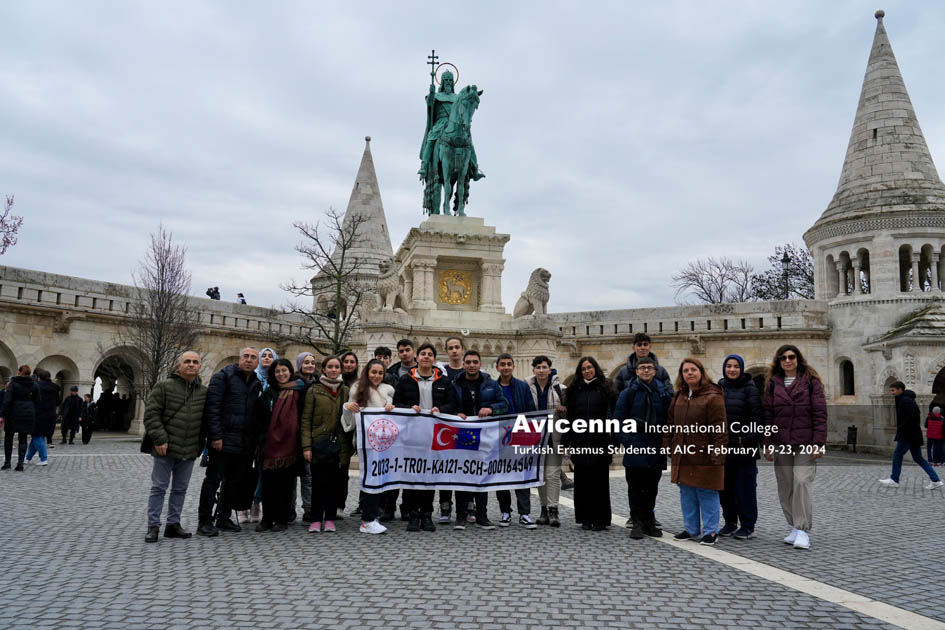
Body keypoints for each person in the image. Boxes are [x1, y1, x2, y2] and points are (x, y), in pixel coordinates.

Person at [763, 344, 828, 550]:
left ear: (798, 359)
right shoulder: (773, 384)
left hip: (805, 442)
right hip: (781, 442)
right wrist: (767, 443)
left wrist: (819, 443)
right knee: (786, 485)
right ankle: (793, 525)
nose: (787, 360)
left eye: (791, 357)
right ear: (778, 361)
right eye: (783, 358)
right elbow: (768, 417)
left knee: (801, 481)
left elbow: (820, 414)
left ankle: (802, 529)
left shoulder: (811, 382)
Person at [143, 351, 208, 543]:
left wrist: (199, 445)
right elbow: (151, 414)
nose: (191, 364)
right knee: (159, 488)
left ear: (199, 367)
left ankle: (173, 524)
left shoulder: (203, 392)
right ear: (178, 365)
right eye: (187, 361)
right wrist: (160, 439)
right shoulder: (164, 386)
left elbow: (205, 421)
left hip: (189, 448)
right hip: (165, 447)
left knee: (180, 489)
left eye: (195, 362)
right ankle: (153, 526)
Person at [393, 343, 459, 532]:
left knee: (429, 477)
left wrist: (441, 410)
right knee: (413, 476)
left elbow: (452, 404)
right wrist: (408, 409)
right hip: (412, 435)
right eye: (423, 354)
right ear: (417, 357)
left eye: (430, 354)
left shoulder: (444, 382)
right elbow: (397, 402)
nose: (426, 357)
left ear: (434, 359)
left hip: (434, 436)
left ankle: (427, 514)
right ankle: (413, 514)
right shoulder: (406, 380)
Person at [197, 348, 261, 537]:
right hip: (223, 441)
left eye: (253, 358)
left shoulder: (256, 383)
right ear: (239, 359)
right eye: (246, 357)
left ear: (257, 363)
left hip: (244, 443)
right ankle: (204, 521)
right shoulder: (222, 377)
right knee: (213, 481)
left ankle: (223, 518)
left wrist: (254, 440)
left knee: (233, 482)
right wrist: (216, 436)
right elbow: (212, 408)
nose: (249, 360)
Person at [665, 357, 727, 546]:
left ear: (701, 372)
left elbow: (720, 428)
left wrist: (718, 453)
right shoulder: (679, 396)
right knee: (687, 492)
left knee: (707, 491)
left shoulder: (713, 396)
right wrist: (667, 444)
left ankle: (710, 531)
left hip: (705, 453)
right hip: (683, 453)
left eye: (693, 370)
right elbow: (670, 423)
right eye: (686, 371)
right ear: (681, 375)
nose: (689, 373)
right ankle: (691, 529)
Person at [615, 356, 671, 539]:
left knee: (651, 487)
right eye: (642, 368)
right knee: (635, 487)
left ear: (655, 371)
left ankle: (648, 520)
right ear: (637, 371)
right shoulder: (628, 393)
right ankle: (636, 521)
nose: (646, 370)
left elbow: (670, 419)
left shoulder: (663, 393)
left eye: (649, 368)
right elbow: (618, 420)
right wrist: (628, 441)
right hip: (635, 445)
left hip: (655, 446)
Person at [451, 349, 507, 530]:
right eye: (468, 362)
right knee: (461, 474)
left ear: (480, 364)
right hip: (462, 433)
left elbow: (504, 404)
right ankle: (460, 516)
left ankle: (482, 515)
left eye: (475, 362)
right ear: (464, 364)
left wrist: (491, 409)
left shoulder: (490, 383)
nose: (471, 365)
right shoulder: (455, 384)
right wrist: (454, 414)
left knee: (482, 475)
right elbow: (448, 405)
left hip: (484, 435)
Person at [560, 356, 617, 531]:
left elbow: (614, 415)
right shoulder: (574, 391)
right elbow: (569, 419)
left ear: (595, 368)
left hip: (600, 440)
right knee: (583, 480)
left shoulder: (607, 388)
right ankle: (585, 517)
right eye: (584, 368)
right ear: (580, 371)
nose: (587, 371)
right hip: (580, 440)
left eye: (590, 367)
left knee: (599, 481)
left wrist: (614, 439)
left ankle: (600, 519)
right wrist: (565, 442)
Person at [342, 359, 395, 534]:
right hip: (367, 442)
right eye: (374, 372)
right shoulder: (357, 388)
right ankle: (367, 519)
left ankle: (372, 515)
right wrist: (347, 408)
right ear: (367, 372)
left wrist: (391, 408)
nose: (377, 376)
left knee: (378, 479)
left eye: (380, 373)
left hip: (384, 442)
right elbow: (349, 419)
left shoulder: (388, 390)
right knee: (371, 478)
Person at [301, 356, 353, 533]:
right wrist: (307, 447)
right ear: (323, 369)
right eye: (329, 367)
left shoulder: (346, 391)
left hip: (339, 445)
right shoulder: (313, 390)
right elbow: (306, 419)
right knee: (318, 483)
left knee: (334, 484)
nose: (333, 370)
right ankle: (316, 518)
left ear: (341, 370)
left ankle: (330, 518)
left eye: (336, 367)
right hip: (319, 444)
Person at [255, 358, 305, 533]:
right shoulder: (269, 392)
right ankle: (267, 519)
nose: (281, 374)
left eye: (284, 370)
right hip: (268, 445)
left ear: (290, 371)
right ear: (273, 374)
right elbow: (260, 417)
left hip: (290, 445)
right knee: (268, 485)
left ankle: (282, 519)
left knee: (285, 486)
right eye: (277, 371)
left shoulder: (299, 390)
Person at [718, 354, 762, 540]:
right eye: (729, 366)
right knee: (725, 488)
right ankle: (729, 522)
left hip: (744, 448)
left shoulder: (750, 389)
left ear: (741, 368)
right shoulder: (719, 388)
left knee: (745, 489)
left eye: (736, 366)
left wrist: (748, 439)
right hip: (724, 448)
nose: (732, 369)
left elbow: (758, 418)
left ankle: (747, 525)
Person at [494, 353, 537, 528]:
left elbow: (530, 410)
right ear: (497, 367)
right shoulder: (491, 387)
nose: (505, 367)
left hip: (519, 435)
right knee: (501, 476)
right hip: (498, 437)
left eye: (508, 364)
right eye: (502, 364)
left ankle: (524, 513)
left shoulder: (522, 387)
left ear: (513, 366)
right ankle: (505, 512)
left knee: (522, 475)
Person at [879, 381, 943, 490]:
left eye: (893, 390)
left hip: (908, 434)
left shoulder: (906, 401)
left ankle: (894, 479)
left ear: (900, 389)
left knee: (898, 454)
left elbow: (911, 419)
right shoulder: (906, 400)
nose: (892, 393)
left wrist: (902, 432)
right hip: (912, 434)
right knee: (918, 458)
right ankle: (936, 480)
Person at [381, 339, 419, 521]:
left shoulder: (425, 371)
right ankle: (389, 507)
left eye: (407, 350)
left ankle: (408, 507)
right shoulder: (390, 373)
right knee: (393, 467)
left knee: (411, 468)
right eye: (401, 351)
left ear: (414, 351)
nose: (405, 353)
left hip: (416, 428)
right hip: (394, 427)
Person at [527, 355, 567, 527]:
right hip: (535, 439)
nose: (541, 370)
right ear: (533, 370)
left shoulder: (560, 389)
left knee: (552, 475)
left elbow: (569, 414)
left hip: (553, 438)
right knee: (541, 476)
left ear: (550, 369)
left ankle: (553, 509)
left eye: (544, 367)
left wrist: (563, 410)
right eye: (538, 367)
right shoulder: (527, 388)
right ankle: (543, 509)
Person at [245, 347, 279, 524]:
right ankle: (242, 506)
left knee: (261, 472)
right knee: (244, 472)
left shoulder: (277, 381)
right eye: (263, 355)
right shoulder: (251, 379)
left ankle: (256, 503)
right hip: (249, 433)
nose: (266, 358)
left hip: (268, 435)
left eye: (270, 356)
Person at [292, 351, 318, 523]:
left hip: (310, 435)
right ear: (300, 364)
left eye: (312, 362)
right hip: (294, 434)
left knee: (308, 476)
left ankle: (309, 509)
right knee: (291, 475)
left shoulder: (317, 384)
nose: (310, 365)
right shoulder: (294, 384)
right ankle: (289, 509)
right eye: (306, 362)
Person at [1, 365, 39, 471]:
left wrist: (2, 415)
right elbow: (38, 400)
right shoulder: (34, 385)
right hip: (27, 413)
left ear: (20, 372)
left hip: (13, 413)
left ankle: (7, 462)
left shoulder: (13, 384)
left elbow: (7, 400)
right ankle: (20, 464)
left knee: (9, 438)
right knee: (23, 439)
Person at [337, 351, 360, 515]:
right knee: (336, 471)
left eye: (352, 362)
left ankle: (339, 505)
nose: (349, 364)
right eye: (347, 362)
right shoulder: (336, 382)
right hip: (336, 431)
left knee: (343, 472)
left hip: (353, 431)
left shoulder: (360, 385)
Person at [26, 369, 58, 466]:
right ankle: (27, 458)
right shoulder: (55, 388)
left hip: (38, 414)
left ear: (39, 378)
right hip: (50, 415)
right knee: (37, 437)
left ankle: (43, 458)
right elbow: (58, 402)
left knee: (36, 436)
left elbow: (32, 400)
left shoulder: (37, 386)